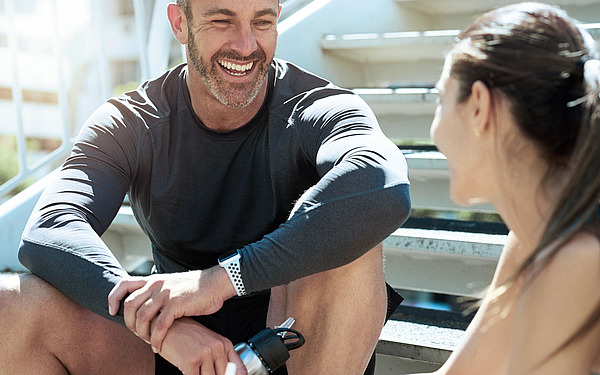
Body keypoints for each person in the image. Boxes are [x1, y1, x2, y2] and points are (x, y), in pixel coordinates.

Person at [0, 0, 410, 374]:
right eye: (221, 20)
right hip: (178, 351)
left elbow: (384, 184)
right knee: (11, 304)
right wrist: (155, 325)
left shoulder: (318, 107)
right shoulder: (132, 121)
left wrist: (218, 282)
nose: (246, 45)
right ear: (180, 23)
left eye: (262, 21)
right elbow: (49, 230)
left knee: (351, 239)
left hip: (291, 345)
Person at [410, 3, 600, 374]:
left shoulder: (576, 259)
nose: (434, 130)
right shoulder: (540, 231)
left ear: (479, 106)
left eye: (440, 98)